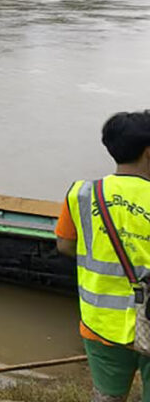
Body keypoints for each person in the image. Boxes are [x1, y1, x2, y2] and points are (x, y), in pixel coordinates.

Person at [56, 111, 150, 402]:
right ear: (149, 153)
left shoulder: (82, 193)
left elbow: (65, 245)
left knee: (107, 398)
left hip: (100, 323)